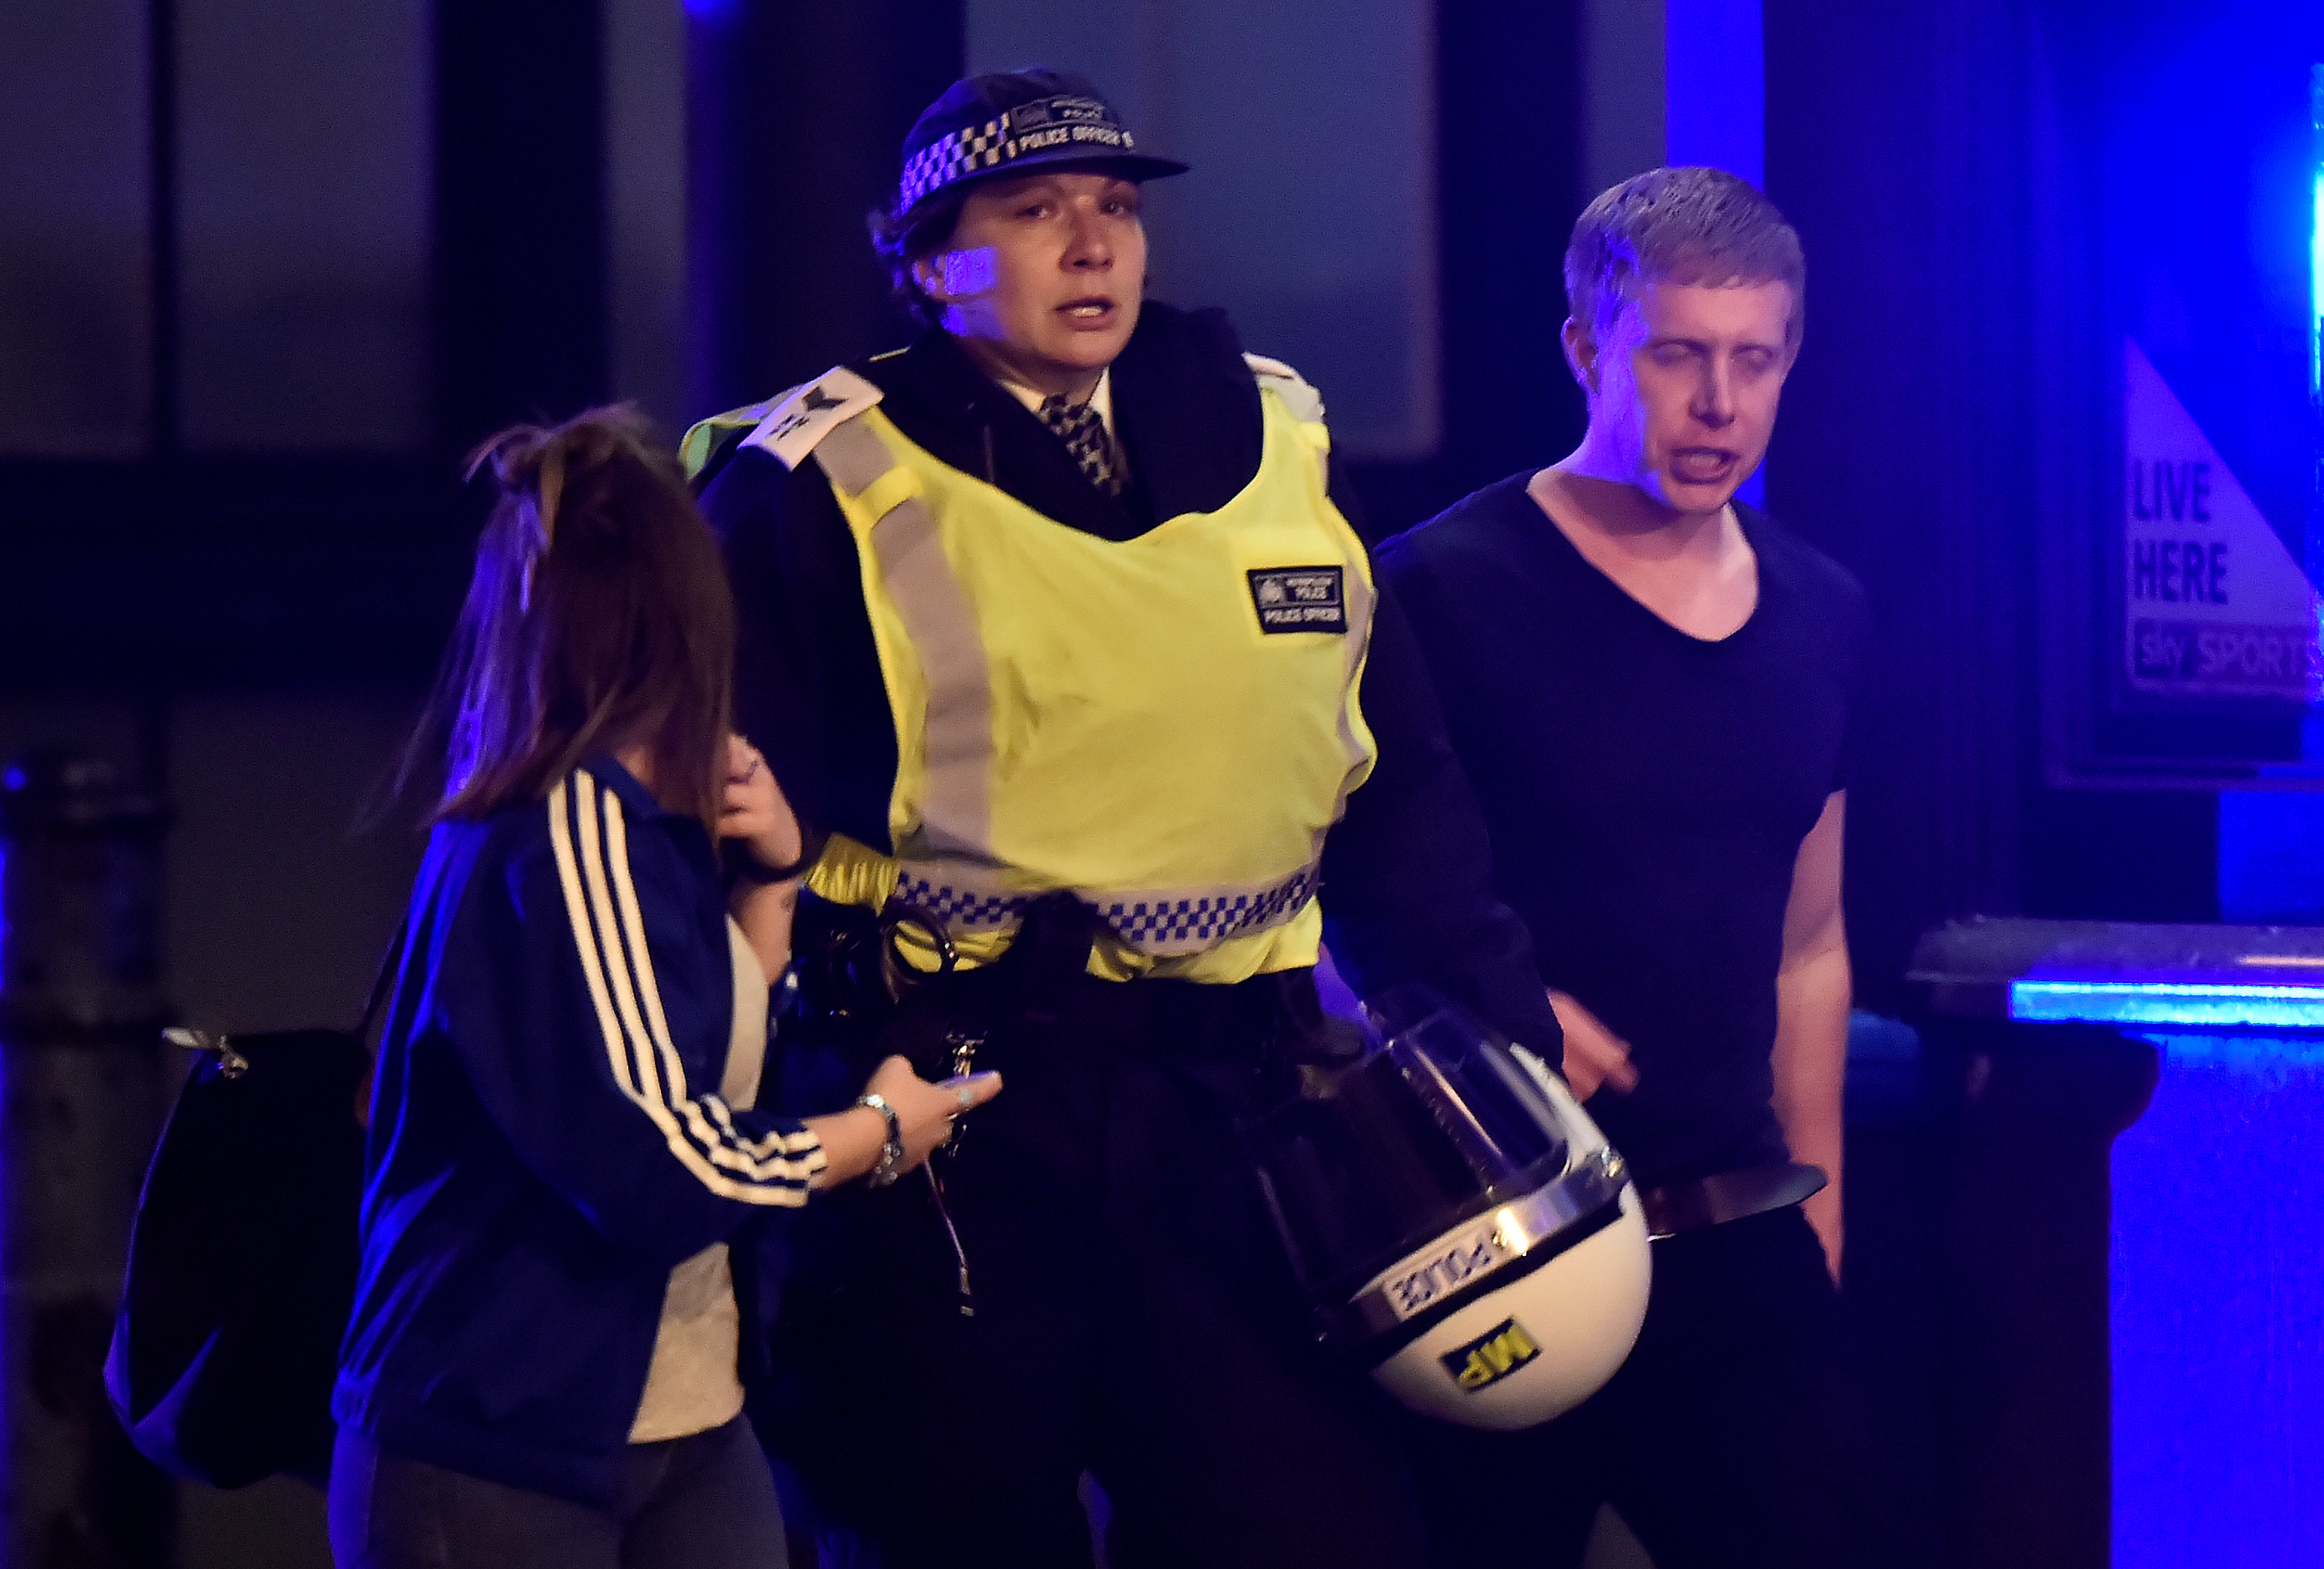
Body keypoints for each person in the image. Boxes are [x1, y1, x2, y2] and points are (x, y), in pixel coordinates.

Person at [687, 68, 1567, 1569]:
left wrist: (1503, 1059)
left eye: (1114, 209)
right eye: (1034, 214)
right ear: (920, 260)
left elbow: (1397, 784)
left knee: (1311, 1531)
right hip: (952, 1126)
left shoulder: (1277, 438)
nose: (1092, 245)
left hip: (1237, 1118)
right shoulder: (817, 480)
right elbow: (708, 825)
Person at [327, 409, 997, 1569]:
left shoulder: (647, 824)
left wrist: (774, 876)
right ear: (686, 610)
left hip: (686, 1420)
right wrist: (874, 1134)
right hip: (500, 1439)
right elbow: (666, 1168)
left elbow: (707, 1068)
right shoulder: (559, 831)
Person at [1376, 167, 1874, 1569]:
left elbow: (1811, 944)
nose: (1718, 404)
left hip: (1734, 1227)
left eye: (1754, 361)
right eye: (1675, 355)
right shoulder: (1435, 587)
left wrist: (1818, 1205)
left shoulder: (1825, 612)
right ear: (1587, 348)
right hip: (1487, 1239)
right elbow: (1315, 902)